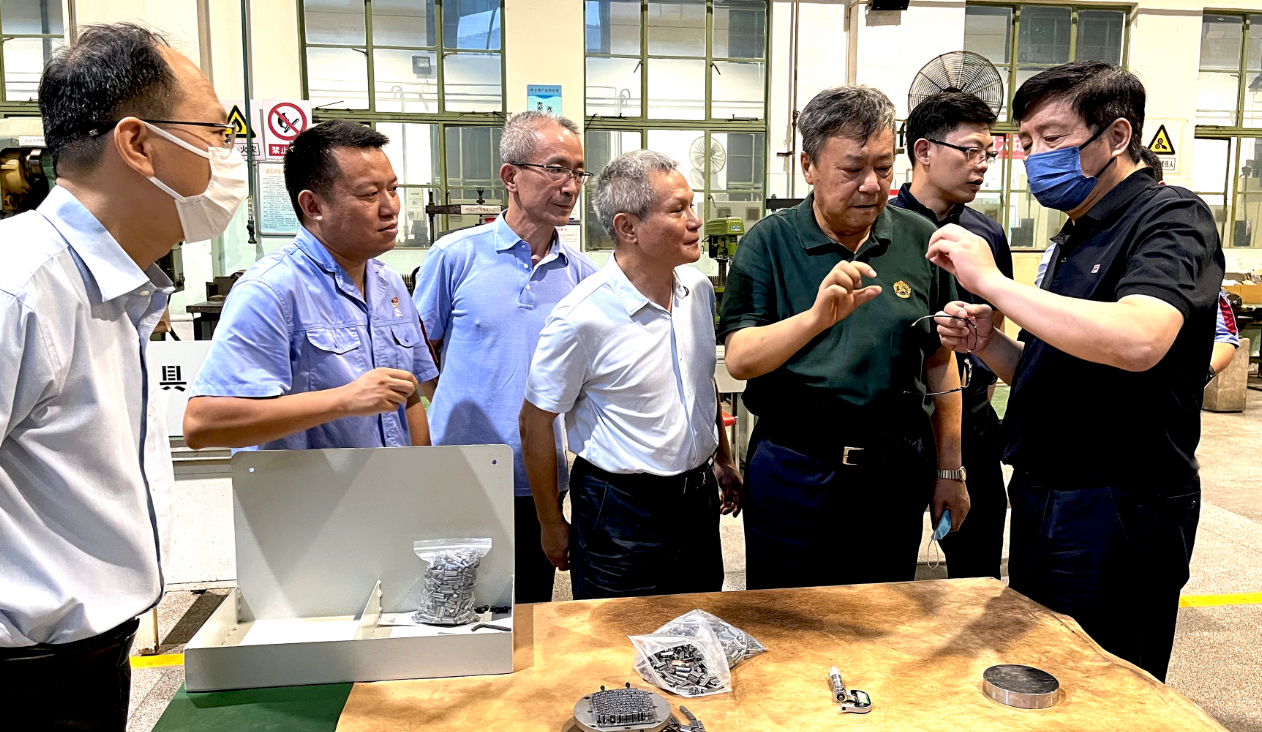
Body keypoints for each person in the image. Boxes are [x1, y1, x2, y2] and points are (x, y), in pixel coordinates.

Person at [928, 61, 1224, 682]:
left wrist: (993, 283)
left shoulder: (1169, 219)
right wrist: (990, 344)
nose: (1036, 157)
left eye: (1053, 138)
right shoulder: (1077, 233)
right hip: (1047, 494)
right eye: (1027, 141)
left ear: (1117, 136)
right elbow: (1057, 373)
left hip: (1118, 500)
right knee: (1047, 674)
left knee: (1106, 682)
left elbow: (1139, 339)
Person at [0, 24, 246, 728]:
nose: (228, 156)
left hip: (86, 662)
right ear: (137, 144)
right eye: (216, 132)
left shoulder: (117, 293)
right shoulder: (21, 288)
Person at [718, 85, 967, 591]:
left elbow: (940, 362)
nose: (872, 185)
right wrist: (815, 319)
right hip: (795, 471)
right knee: (787, 615)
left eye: (883, 167)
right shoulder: (769, 243)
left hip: (893, 473)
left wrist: (950, 470)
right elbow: (741, 360)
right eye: (852, 169)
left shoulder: (920, 240)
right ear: (808, 166)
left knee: (882, 614)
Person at [519, 150, 742, 599]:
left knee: (700, 619)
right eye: (677, 210)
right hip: (621, 509)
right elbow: (535, 421)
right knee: (616, 628)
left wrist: (721, 457)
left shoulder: (697, 290)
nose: (695, 221)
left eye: (692, 205)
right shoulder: (582, 316)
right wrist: (550, 522)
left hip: (697, 497)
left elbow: (699, 380)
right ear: (628, 228)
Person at [412, 111, 597, 604]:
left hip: (540, 481)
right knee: (454, 610)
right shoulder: (455, 256)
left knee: (529, 614)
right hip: (461, 475)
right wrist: (462, 406)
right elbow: (418, 355)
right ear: (510, 176)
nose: (570, 186)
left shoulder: (582, 275)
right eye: (555, 169)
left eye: (578, 172)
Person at [184, 120, 436, 450]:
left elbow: (409, 396)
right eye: (370, 194)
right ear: (313, 206)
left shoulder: (389, 284)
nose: (391, 207)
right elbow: (203, 425)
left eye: (392, 189)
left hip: (390, 482)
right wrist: (344, 400)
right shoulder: (270, 291)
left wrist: (420, 474)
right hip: (309, 485)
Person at [888, 91, 1012, 581]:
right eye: (971, 151)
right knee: (887, 571)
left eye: (989, 154)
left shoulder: (986, 235)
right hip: (905, 424)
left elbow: (997, 319)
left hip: (973, 420)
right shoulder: (885, 230)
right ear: (924, 151)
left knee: (977, 568)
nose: (982, 165)